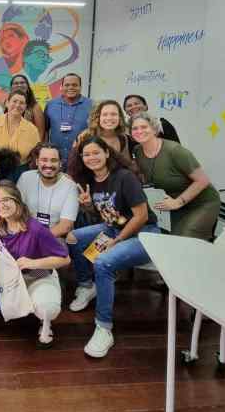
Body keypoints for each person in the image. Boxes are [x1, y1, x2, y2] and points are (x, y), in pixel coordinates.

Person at [66, 136, 159, 358]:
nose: (91, 158)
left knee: (104, 262)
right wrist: (88, 206)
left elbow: (141, 216)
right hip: (114, 229)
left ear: (107, 153)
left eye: (96, 152)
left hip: (144, 233)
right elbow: (108, 215)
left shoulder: (125, 177)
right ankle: (87, 286)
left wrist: (117, 241)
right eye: (86, 154)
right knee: (74, 237)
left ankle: (104, 327)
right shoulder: (92, 180)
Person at [0, 181, 70, 345]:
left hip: (37, 276)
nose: (1, 205)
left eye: (6, 200)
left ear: (17, 201)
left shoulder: (36, 228)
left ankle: (45, 324)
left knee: (47, 308)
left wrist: (32, 263)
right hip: (11, 280)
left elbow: (65, 259)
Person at [130, 111, 220, 239]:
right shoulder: (138, 152)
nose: (139, 131)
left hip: (202, 203)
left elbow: (203, 180)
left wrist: (178, 202)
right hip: (174, 204)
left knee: (187, 241)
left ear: (154, 129)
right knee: (174, 243)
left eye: (144, 127)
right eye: (135, 128)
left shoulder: (175, 151)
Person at [17, 143, 79, 239]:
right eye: (44, 160)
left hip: (55, 237)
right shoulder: (25, 178)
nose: (49, 165)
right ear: (37, 162)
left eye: (54, 160)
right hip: (25, 233)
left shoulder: (70, 186)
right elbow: (16, 211)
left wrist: (38, 239)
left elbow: (65, 226)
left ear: (60, 163)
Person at [0, 90, 41, 174]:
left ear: (25, 106)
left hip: (20, 172)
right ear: (7, 103)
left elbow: (36, 154)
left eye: (22, 103)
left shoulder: (32, 129)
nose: (17, 105)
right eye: (14, 101)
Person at [68, 100, 134, 172]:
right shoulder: (84, 137)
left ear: (120, 117)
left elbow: (130, 167)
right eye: (105, 114)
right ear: (98, 117)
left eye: (114, 114)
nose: (109, 118)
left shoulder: (125, 139)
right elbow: (72, 168)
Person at [44, 73, 93, 168]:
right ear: (61, 87)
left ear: (80, 87)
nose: (71, 87)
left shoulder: (91, 105)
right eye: (67, 85)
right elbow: (45, 130)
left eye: (75, 85)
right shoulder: (51, 104)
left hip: (81, 158)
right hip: (55, 159)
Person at [10, 74, 46, 139]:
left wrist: (36, 147)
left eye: (22, 83)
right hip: (9, 146)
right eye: (16, 83)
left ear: (27, 86)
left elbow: (41, 132)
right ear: (11, 87)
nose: (19, 85)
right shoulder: (7, 105)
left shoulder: (35, 107)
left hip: (29, 145)